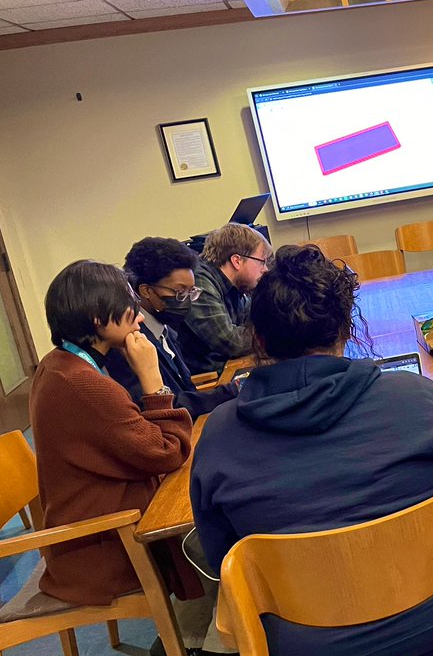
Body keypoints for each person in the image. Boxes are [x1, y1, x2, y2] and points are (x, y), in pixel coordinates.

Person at [190, 244, 433, 655]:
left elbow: (223, 558)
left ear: (257, 339)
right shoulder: (418, 397)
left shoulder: (218, 435)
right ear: (346, 330)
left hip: (302, 644)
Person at [30, 260, 194, 606]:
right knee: (211, 536)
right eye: (129, 306)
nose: (139, 318)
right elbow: (168, 452)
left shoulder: (60, 364)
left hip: (92, 532)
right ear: (97, 318)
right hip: (103, 547)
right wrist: (153, 381)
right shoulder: (83, 384)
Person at [105, 237, 239, 419]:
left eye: (191, 291)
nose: (186, 300)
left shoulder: (164, 326)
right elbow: (165, 404)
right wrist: (231, 391)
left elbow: (185, 389)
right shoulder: (129, 343)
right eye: (180, 291)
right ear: (146, 291)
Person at [176, 223, 272, 375]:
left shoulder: (237, 285)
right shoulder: (200, 283)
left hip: (229, 366)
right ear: (237, 261)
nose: (265, 269)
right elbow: (232, 342)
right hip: (211, 378)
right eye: (262, 261)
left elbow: (250, 320)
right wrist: (274, 333)